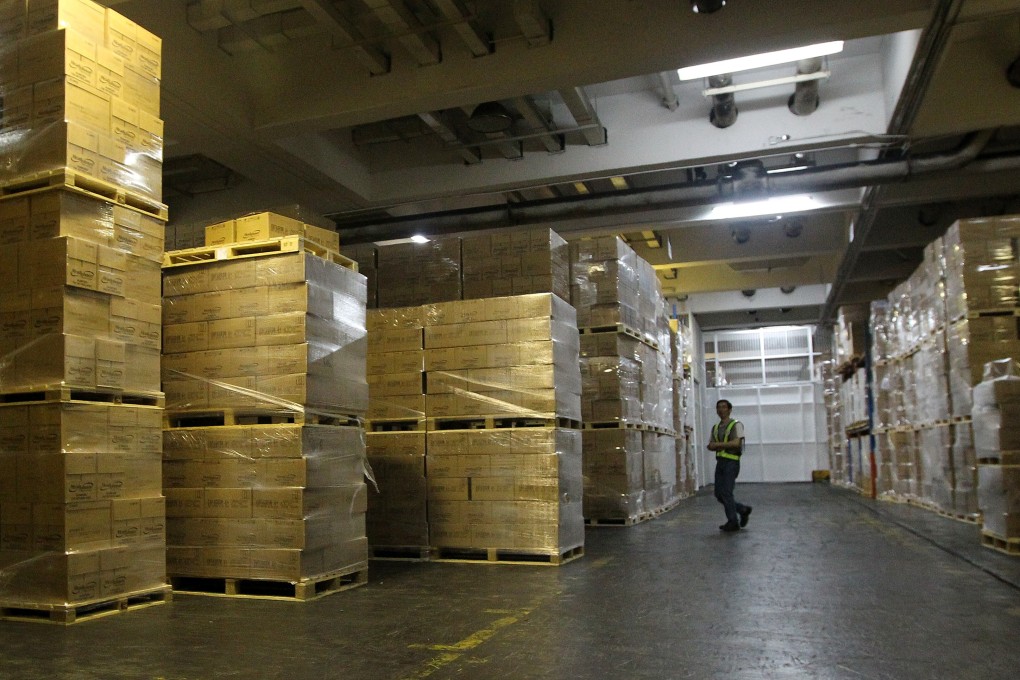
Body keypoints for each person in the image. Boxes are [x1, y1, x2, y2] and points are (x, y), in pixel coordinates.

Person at [708, 399, 752, 532]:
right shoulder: (716, 427)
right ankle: (742, 509)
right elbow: (711, 445)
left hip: (732, 463)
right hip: (720, 463)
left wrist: (718, 445)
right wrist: (716, 446)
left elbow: (736, 443)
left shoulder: (736, 425)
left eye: (724, 407)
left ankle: (733, 521)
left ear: (729, 410)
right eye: (719, 407)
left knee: (726, 492)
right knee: (718, 494)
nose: (721, 409)